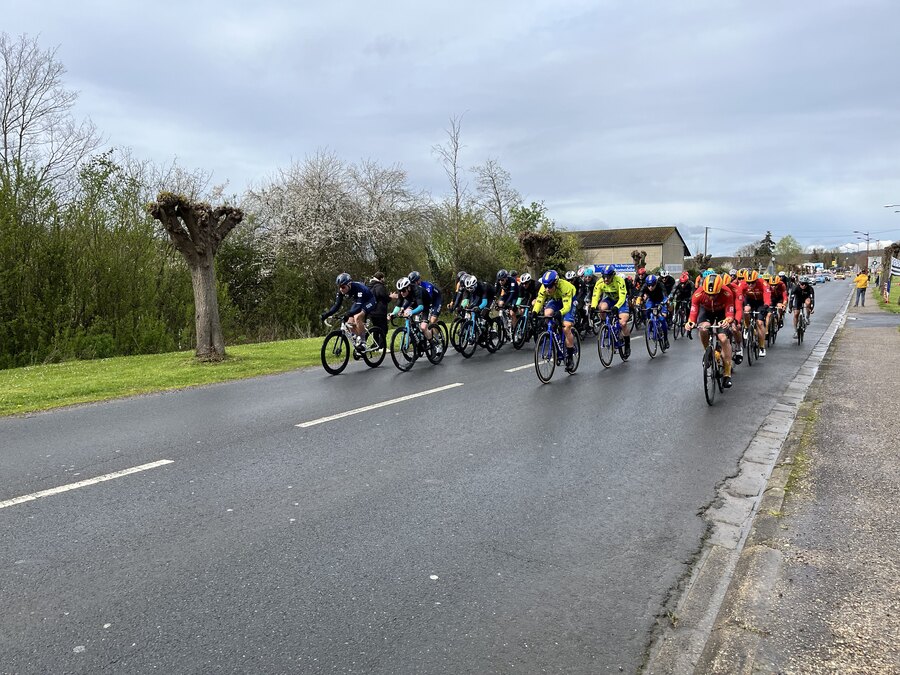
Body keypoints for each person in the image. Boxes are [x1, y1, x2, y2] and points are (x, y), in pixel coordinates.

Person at [685, 274, 736, 389]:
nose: (711, 297)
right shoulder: (698, 293)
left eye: (714, 294)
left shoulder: (727, 292)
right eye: (709, 294)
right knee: (703, 328)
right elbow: (693, 312)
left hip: (722, 312)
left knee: (723, 337)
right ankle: (707, 352)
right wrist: (690, 322)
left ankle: (727, 373)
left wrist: (728, 320)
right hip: (706, 311)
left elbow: (730, 312)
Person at [533, 270, 578, 371]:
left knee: (566, 327)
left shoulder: (565, 287)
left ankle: (570, 358)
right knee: (547, 314)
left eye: (549, 286)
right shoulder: (544, 287)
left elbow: (566, 307)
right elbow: (540, 300)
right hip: (556, 299)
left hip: (569, 300)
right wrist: (534, 312)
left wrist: (560, 313)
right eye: (545, 286)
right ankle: (555, 335)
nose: (547, 289)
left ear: (556, 283)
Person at [321, 272, 376, 347]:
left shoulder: (359, 288)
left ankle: (363, 342)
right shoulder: (341, 291)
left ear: (349, 284)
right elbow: (337, 305)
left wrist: (348, 313)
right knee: (349, 321)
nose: (341, 289)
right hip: (358, 301)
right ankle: (357, 339)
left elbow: (359, 307)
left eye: (343, 287)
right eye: (339, 287)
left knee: (357, 317)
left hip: (369, 301)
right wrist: (327, 314)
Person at [591, 264, 632, 358]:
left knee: (623, 323)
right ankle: (604, 324)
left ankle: (627, 345)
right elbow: (595, 295)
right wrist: (593, 307)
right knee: (602, 307)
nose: (606, 280)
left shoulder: (619, 281)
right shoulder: (600, 282)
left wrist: (617, 306)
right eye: (604, 277)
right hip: (609, 299)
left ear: (613, 276)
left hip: (620, 301)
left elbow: (622, 297)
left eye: (608, 277)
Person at [739, 269, 772, 357]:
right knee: (746, 310)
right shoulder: (742, 284)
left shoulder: (763, 283)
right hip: (749, 300)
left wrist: (766, 306)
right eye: (748, 282)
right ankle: (746, 327)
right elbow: (739, 296)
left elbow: (767, 296)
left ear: (756, 280)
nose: (750, 285)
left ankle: (761, 346)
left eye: (752, 282)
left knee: (760, 323)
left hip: (760, 302)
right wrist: (739, 306)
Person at [408, 270, 443, 337]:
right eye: (411, 283)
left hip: (435, 300)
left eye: (414, 282)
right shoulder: (413, 289)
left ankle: (437, 336)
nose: (413, 284)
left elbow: (428, 300)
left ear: (419, 280)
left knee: (432, 320)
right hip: (427, 302)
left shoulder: (427, 286)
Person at [639, 274, 670, 349]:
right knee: (647, 310)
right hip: (651, 300)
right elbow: (640, 294)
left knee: (662, 319)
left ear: (656, 283)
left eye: (652, 285)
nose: (650, 287)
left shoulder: (660, 284)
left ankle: (665, 339)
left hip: (661, 301)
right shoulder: (645, 286)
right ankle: (651, 323)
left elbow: (665, 295)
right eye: (649, 285)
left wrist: (664, 302)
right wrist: (638, 302)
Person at [367, 272, 390, 348]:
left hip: (371, 311)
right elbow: (384, 297)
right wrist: (391, 297)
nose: (384, 279)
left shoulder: (370, 286)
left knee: (375, 329)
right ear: (381, 278)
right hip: (380, 311)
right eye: (383, 278)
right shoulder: (379, 286)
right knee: (384, 329)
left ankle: (375, 345)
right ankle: (381, 346)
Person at [496, 269, 520, 336]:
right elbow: (496, 291)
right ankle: (504, 323)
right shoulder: (499, 281)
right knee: (500, 304)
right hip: (506, 294)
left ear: (506, 278)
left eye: (502, 280)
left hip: (514, 295)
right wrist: (495, 300)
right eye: (499, 280)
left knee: (512, 313)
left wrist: (507, 304)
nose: (500, 281)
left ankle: (515, 332)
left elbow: (512, 295)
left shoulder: (512, 281)